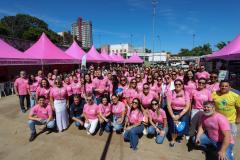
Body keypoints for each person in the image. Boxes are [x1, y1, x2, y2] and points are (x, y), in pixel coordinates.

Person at [167, 79, 190, 147]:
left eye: (179, 84)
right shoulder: (171, 92)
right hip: (173, 111)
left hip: (183, 111)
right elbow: (168, 105)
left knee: (181, 126)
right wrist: (173, 116)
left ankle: (179, 136)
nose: (177, 85)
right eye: (176, 84)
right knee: (174, 126)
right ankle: (173, 139)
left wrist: (179, 115)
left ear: (182, 85)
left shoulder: (186, 93)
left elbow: (187, 105)